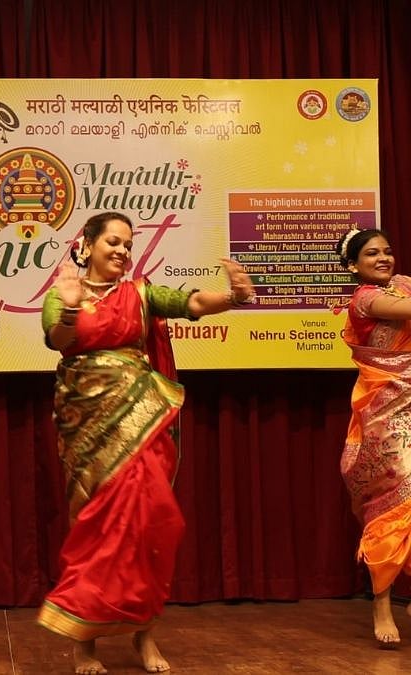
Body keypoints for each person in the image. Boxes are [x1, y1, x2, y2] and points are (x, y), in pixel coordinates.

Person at [36, 212, 255, 675]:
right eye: (112, 242)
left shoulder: (140, 294)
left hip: (144, 417)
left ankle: (146, 637)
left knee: (150, 524)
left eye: (127, 244)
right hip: (86, 423)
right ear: (87, 244)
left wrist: (231, 298)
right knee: (93, 529)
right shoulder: (63, 292)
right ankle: (85, 647)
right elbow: (59, 339)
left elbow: (189, 302)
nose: (121, 251)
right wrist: (72, 305)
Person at [337, 227, 411, 646]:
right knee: (394, 501)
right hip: (387, 412)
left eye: (387, 250)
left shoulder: (402, 285)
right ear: (354, 266)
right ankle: (382, 606)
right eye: (371, 254)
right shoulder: (365, 298)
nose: (383, 258)